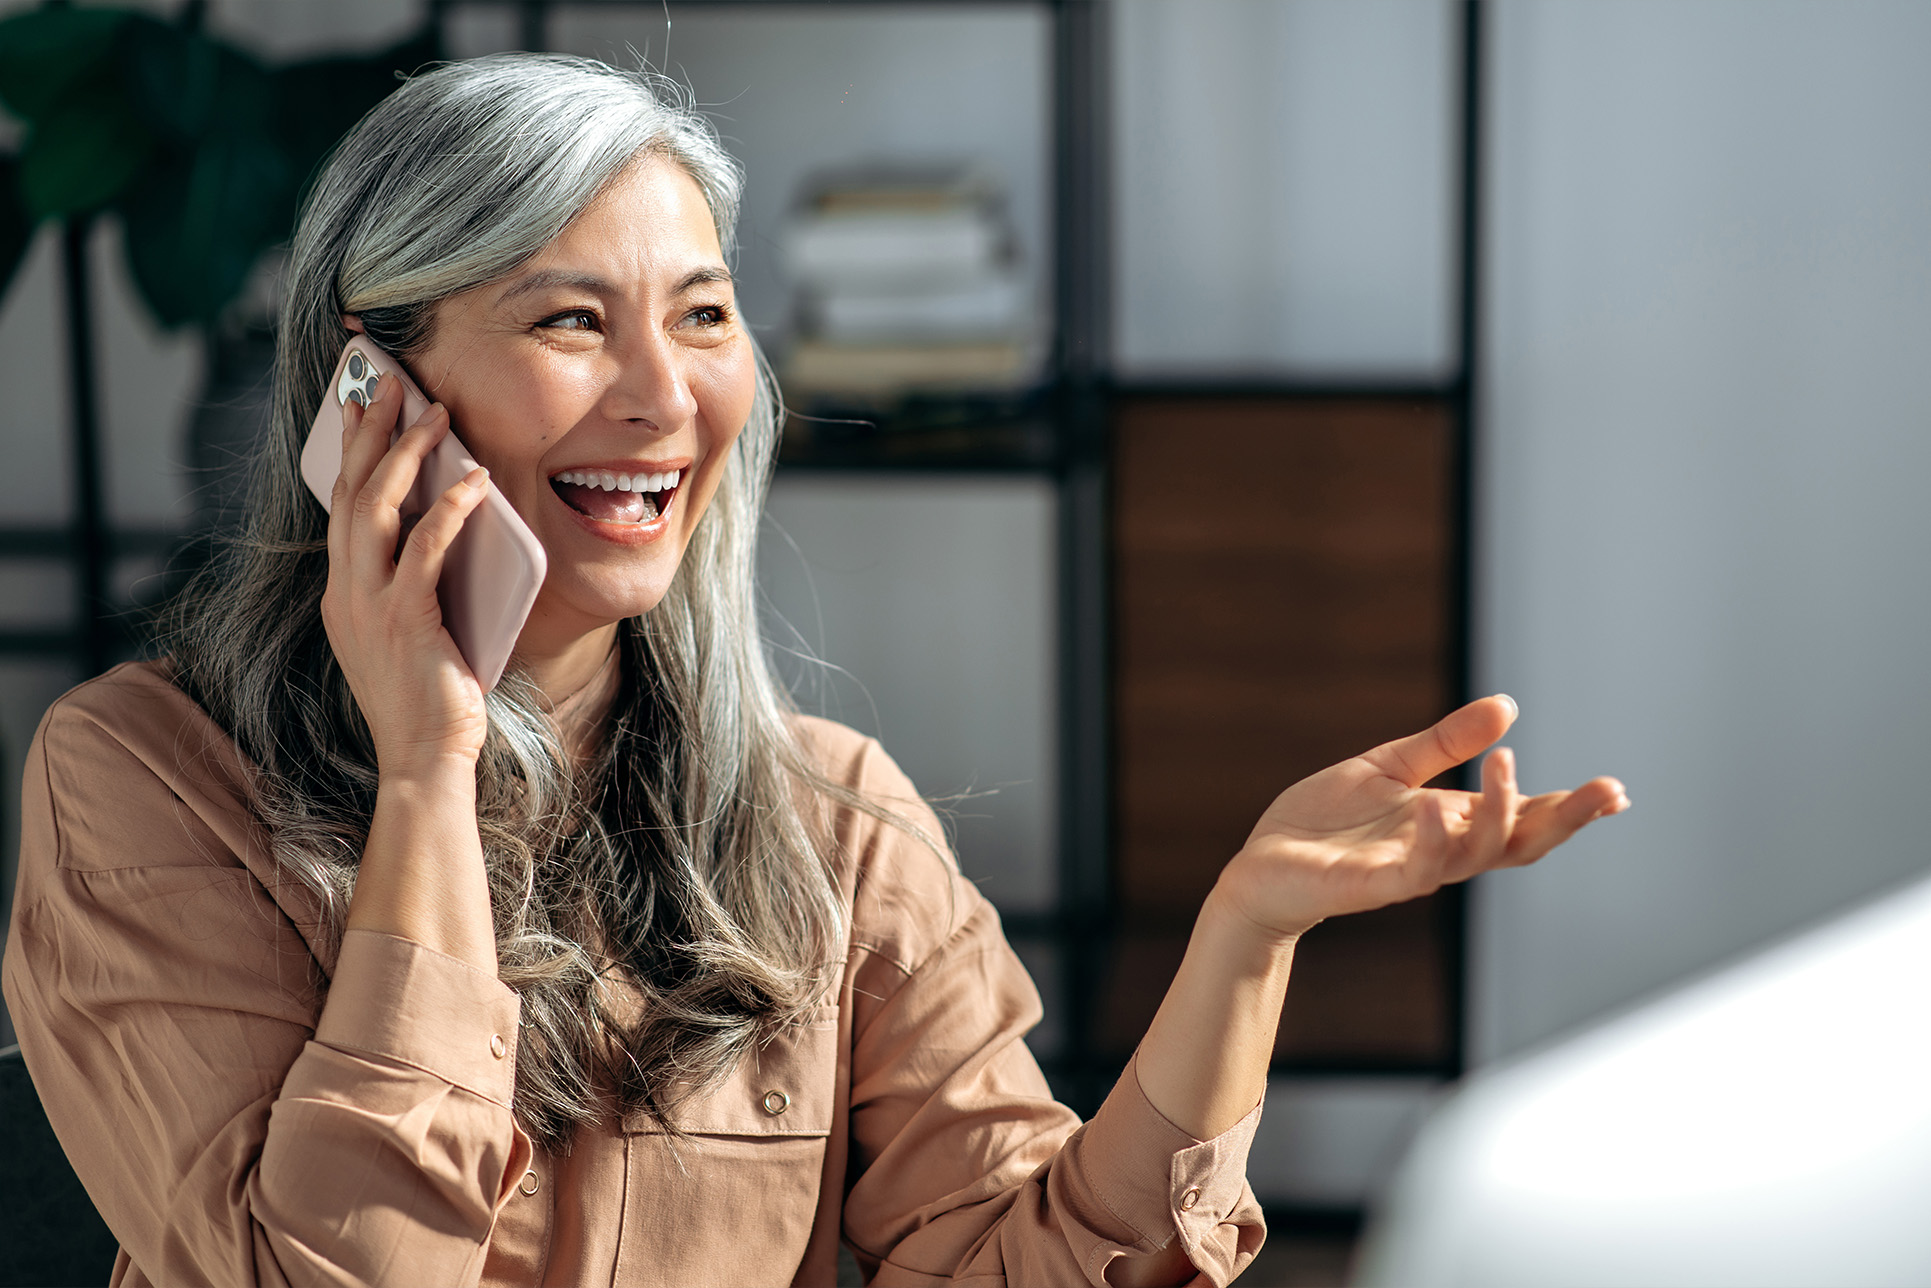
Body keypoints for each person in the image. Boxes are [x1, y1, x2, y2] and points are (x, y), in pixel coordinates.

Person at [1, 53, 1627, 1288]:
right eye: (574, 320)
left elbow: (1014, 1258)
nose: (664, 397)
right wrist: (426, 765)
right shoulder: (139, 780)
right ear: (369, 392)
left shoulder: (831, 816)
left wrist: (1245, 943)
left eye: (702, 317)